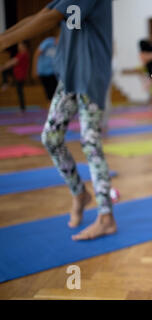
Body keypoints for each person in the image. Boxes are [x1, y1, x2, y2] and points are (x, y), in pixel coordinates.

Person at [0, 0, 115, 241]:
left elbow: (50, 18)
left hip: (91, 74)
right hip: (70, 75)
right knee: (50, 138)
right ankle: (80, 193)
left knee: (91, 143)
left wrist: (4, 42)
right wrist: (4, 37)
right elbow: (41, 14)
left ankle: (106, 218)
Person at [0, 41, 30, 112]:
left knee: (20, 92)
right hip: (16, 74)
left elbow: (13, 62)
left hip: (20, 76)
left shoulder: (23, 54)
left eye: (20, 46)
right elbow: (12, 62)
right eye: (18, 46)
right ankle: (6, 83)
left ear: (24, 47)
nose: (19, 48)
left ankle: (22, 108)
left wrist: (3, 67)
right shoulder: (21, 54)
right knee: (19, 92)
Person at [33, 33, 59, 102]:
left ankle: (54, 109)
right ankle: (51, 108)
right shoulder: (48, 42)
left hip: (53, 72)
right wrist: (35, 69)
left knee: (55, 93)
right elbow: (37, 53)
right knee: (49, 94)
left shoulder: (61, 45)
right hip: (44, 72)